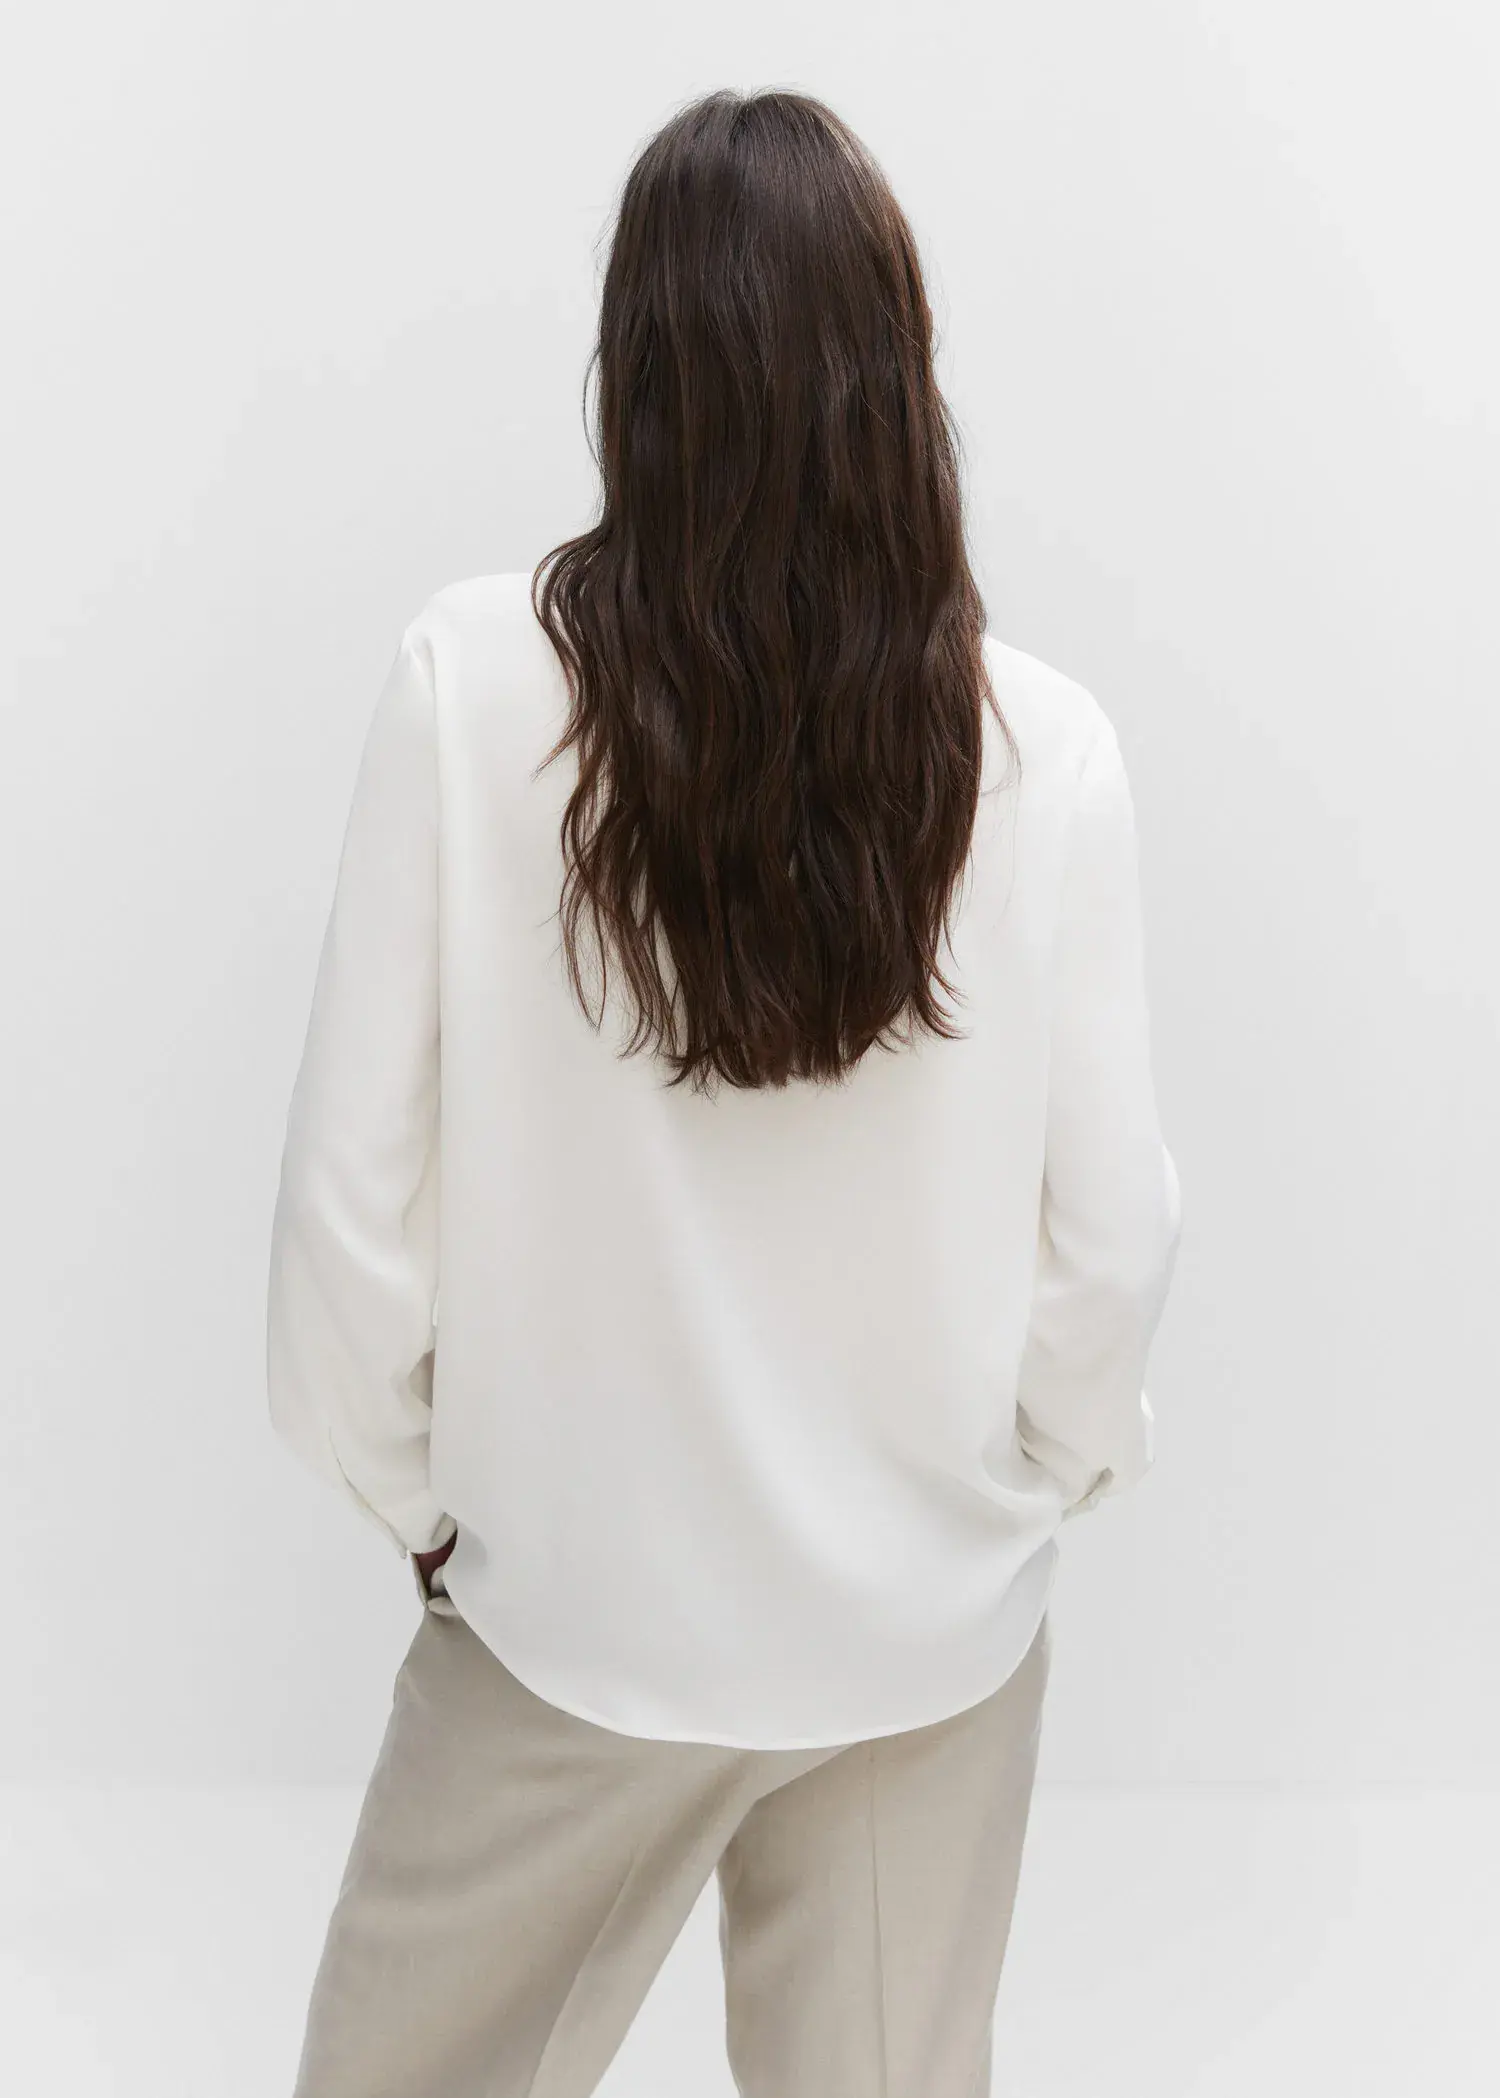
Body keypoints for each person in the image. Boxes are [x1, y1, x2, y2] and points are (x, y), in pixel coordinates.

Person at [265, 85, 1182, 2098]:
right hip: (925, 1644)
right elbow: (1116, 1238)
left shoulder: (467, 688)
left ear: (640, 377)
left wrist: (425, 1509)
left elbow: (346, 1216)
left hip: (572, 1625)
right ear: (893, 380)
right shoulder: (1051, 749)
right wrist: (1023, 1486)